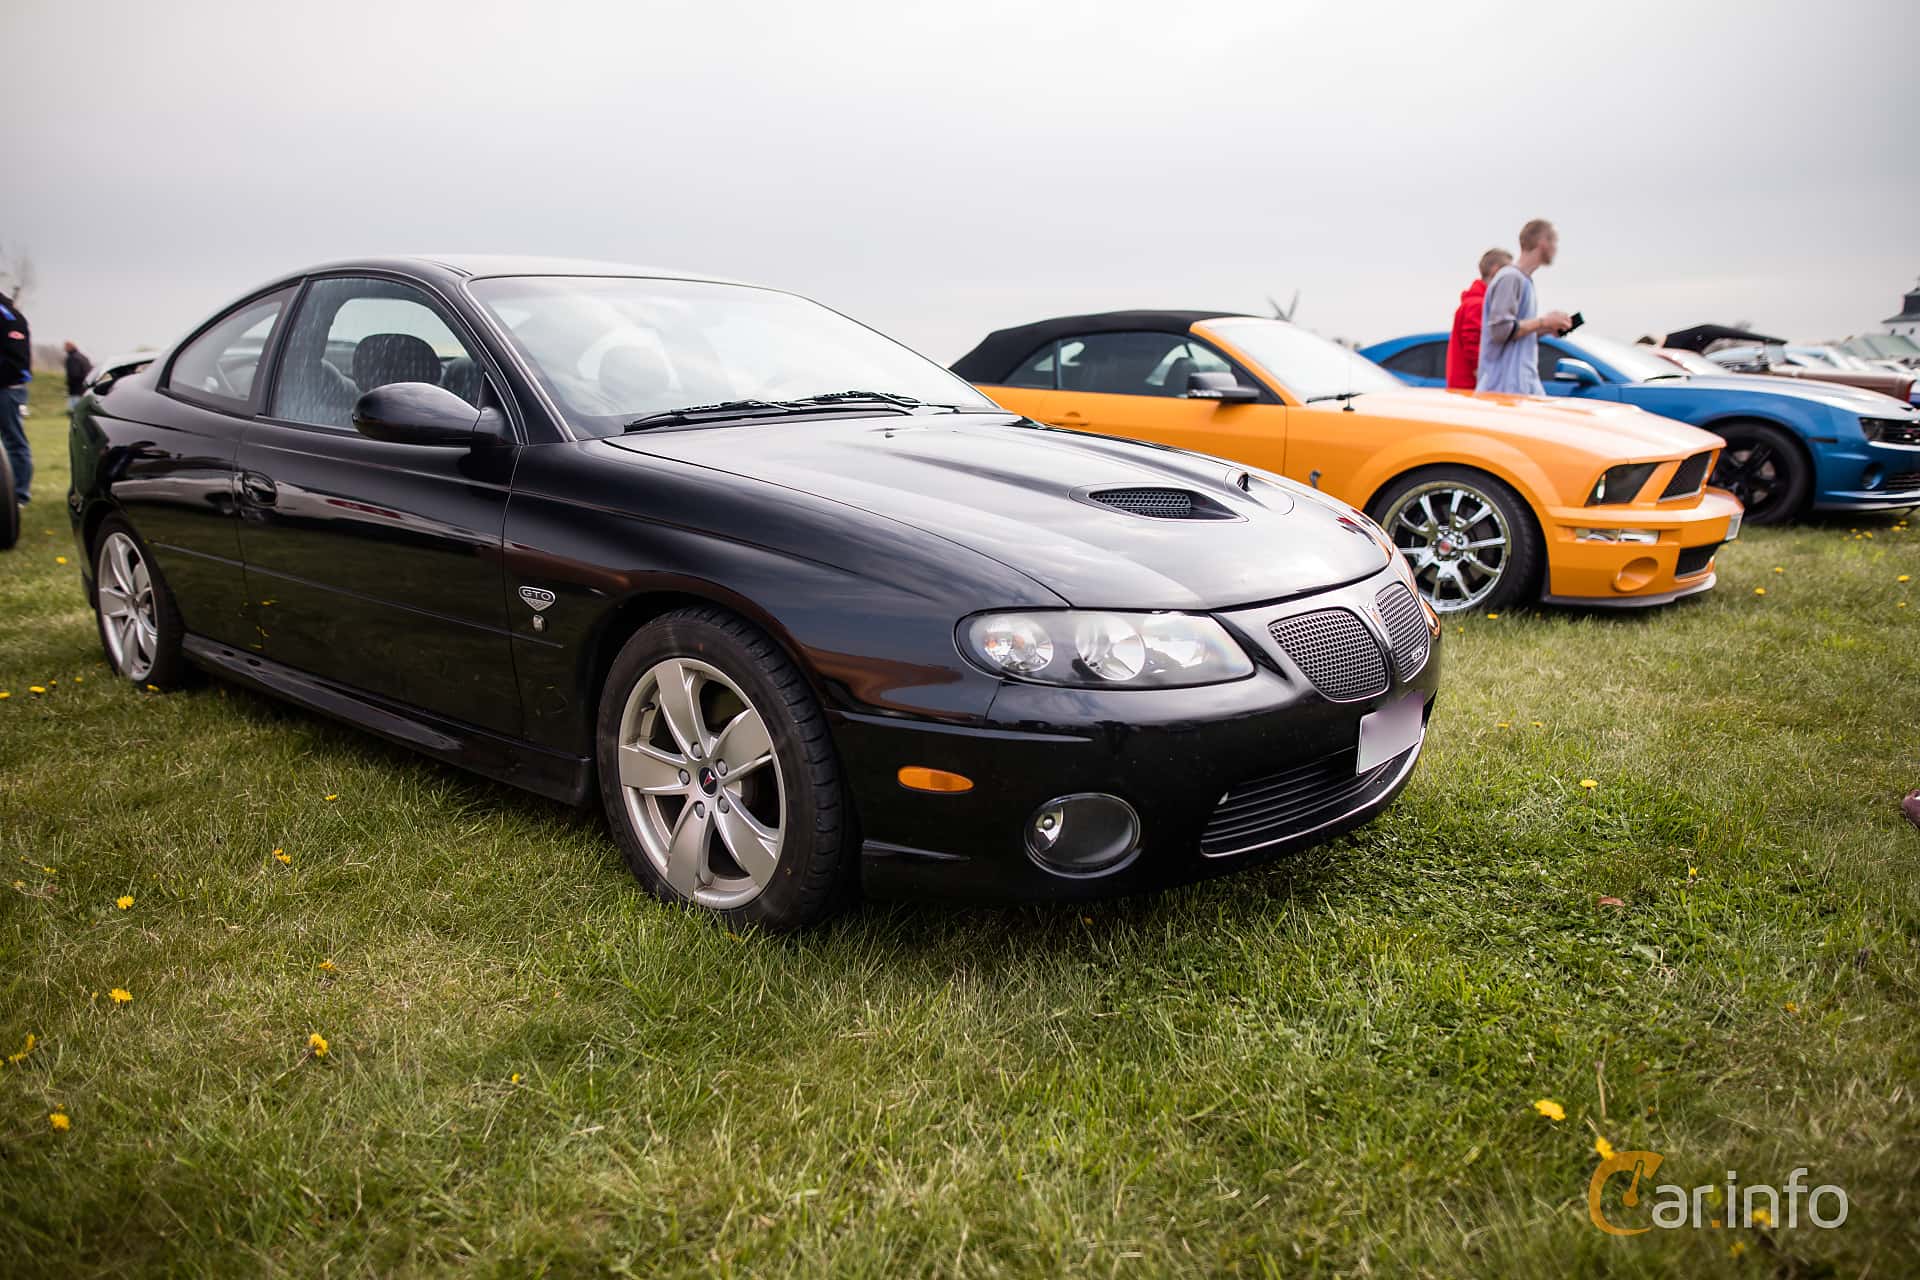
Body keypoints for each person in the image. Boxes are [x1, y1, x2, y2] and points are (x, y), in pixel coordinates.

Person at [1476, 218, 1573, 395]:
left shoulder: (1525, 281)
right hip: (1503, 389)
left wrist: (1547, 328)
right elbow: (1500, 330)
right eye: (1554, 241)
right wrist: (1544, 321)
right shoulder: (1510, 278)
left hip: (1521, 386)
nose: (1556, 248)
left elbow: (1515, 333)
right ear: (1543, 243)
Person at [1446, 248, 1512, 390]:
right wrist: (1487, 379)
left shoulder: (1474, 302)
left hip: (1466, 387)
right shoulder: (1478, 304)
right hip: (1471, 388)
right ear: (1496, 270)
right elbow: (1474, 349)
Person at [0, 291, 30, 506]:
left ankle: (18, 495)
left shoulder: (9, 316)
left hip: (8, 390)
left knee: (14, 442)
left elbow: (16, 361)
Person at [63, 341, 92, 410]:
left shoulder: (72, 358)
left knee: (74, 411)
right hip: (85, 388)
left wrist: (68, 383)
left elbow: (74, 374)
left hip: (75, 390)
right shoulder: (83, 356)